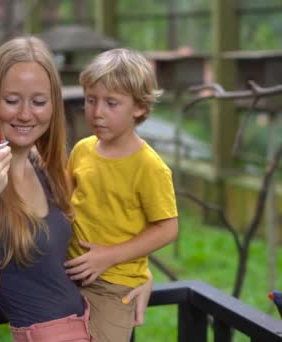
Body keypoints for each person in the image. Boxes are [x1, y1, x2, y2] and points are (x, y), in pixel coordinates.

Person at [0, 37, 150, 342]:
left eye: (39, 102)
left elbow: (90, 238)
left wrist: (139, 274)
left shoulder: (45, 166)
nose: (25, 114)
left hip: (95, 325)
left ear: (54, 104)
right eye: (12, 101)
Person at [65, 48, 179, 342]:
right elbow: (64, 204)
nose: (97, 112)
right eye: (91, 100)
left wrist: (109, 256)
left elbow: (168, 228)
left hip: (116, 285)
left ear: (139, 108)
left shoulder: (150, 167)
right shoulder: (81, 150)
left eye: (111, 103)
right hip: (68, 273)